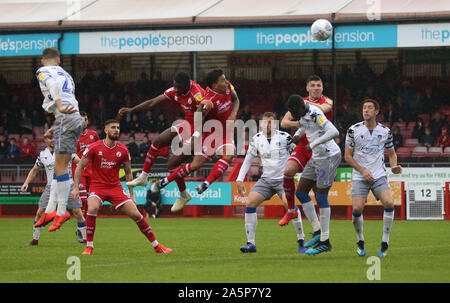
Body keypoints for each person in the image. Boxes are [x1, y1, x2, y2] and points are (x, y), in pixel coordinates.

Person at [71, 119, 172, 255]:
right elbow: (80, 166)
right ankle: (89, 247)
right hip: (97, 187)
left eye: (118, 127)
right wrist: (76, 187)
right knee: (93, 208)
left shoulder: (123, 150)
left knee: (137, 214)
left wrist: (132, 195)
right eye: (113, 127)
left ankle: (157, 246)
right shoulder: (94, 147)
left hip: (115, 188)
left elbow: (129, 174)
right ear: (106, 130)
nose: (116, 130)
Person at [150, 69, 240, 212]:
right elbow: (199, 116)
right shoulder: (209, 100)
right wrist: (201, 110)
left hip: (224, 133)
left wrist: (233, 113)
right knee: (195, 165)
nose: (226, 81)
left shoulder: (228, 86)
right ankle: (164, 182)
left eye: (225, 78)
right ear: (214, 85)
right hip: (208, 134)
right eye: (222, 80)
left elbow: (236, 99)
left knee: (229, 154)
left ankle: (205, 184)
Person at [119, 72, 206, 209]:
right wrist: (131, 110)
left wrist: (197, 135)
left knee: (172, 163)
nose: (175, 90)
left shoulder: (197, 94)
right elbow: (152, 102)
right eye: (174, 86)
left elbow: (207, 114)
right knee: (158, 141)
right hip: (188, 124)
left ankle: (183, 194)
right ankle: (143, 177)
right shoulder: (175, 91)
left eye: (178, 87)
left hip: (201, 129)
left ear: (187, 84)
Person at [236, 112, 306, 253]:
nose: (268, 125)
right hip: (266, 180)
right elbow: (248, 159)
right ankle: (251, 243)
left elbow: (297, 155)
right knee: (250, 203)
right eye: (265, 122)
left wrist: (300, 175)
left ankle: (301, 240)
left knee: (289, 205)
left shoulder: (285, 138)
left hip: (283, 180)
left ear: (275, 124)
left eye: (271, 122)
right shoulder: (256, 139)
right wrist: (239, 178)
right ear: (261, 124)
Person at [280, 75, 334, 249]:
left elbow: (324, 109)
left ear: (322, 88)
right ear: (307, 88)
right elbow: (284, 122)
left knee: (319, 195)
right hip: (304, 146)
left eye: (319, 85)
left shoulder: (326, 101)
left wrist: (306, 108)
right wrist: (301, 122)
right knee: (288, 172)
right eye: (313, 85)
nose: (316, 88)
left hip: (322, 148)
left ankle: (323, 237)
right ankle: (291, 210)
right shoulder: (300, 104)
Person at [345, 99, 402, 258]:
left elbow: (391, 153)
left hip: (378, 174)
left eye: (370, 108)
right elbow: (347, 156)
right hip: (359, 175)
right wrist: (362, 170)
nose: (366, 110)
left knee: (389, 202)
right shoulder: (353, 130)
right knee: (357, 209)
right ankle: (360, 241)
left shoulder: (385, 131)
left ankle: (385, 242)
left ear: (377, 112)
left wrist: (394, 166)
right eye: (364, 107)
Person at [285, 95, 341, 255]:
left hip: (328, 156)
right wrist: (298, 134)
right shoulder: (302, 115)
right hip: (316, 157)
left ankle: (325, 240)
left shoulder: (316, 113)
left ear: (301, 107)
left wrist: (313, 144)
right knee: (301, 193)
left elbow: (333, 131)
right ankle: (317, 231)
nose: (292, 116)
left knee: (321, 196)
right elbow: (306, 125)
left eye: (293, 112)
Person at [35, 48, 84, 231]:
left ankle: (61, 211)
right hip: (75, 118)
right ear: (59, 60)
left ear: (42, 61)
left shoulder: (43, 71)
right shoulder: (66, 74)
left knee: (59, 167)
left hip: (65, 117)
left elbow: (54, 87)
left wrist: (59, 106)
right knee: (59, 166)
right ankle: (51, 211)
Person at [23, 134, 86, 245]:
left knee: (77, 212)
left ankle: (84, 239)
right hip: (50, 187)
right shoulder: (43, 154)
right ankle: (34, 240)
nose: (52, 140)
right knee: (40, 213)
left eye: (54, 138)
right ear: (45, 140)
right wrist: (26, 182)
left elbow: (80, 163)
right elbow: (34, 170)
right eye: (49, 138)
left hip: (68, 185)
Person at [73, 111, 99, 218]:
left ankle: (87, 221)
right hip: (79, 169)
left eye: (85, 119)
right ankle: (82, 222)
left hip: (91, 170)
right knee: (82, 198)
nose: (84, 122)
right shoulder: (73, 135)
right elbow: (71, 152)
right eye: (81, 120)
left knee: (90, 197)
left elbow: (98, 150)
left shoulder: (93, 135)